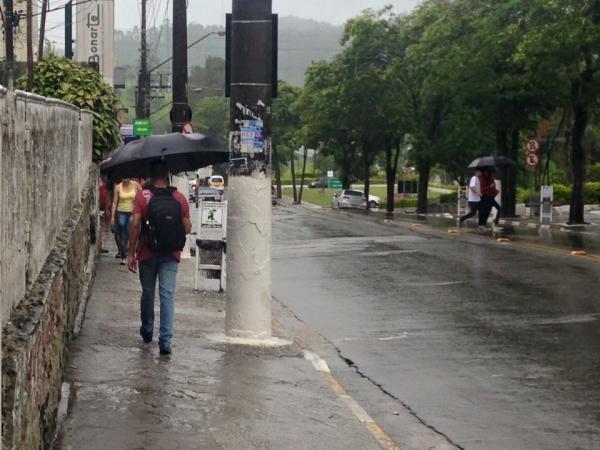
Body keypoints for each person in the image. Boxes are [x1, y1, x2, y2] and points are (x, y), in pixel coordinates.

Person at [127, 160, 192, 355]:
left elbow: (135, 224)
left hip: (147, 253)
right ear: (167, 175)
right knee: (167, 295)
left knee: (148, 293)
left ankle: (147, 330)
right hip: (171, 254)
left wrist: (131, 252)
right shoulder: (179, 198)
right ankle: (165, 341)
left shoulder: (143, 196)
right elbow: (188, 228)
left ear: (151, 175)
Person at [110, 178, 141, 264]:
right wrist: (112, 216)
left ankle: (132, 253)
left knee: (132, 234)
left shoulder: (135, 185)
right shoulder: (117, 187)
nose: (125, 179)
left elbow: (142, 197)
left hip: (133, 213)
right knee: (123, 236)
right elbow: (114, 202)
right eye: (123, 178)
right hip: (121, 213)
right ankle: (123, 256)